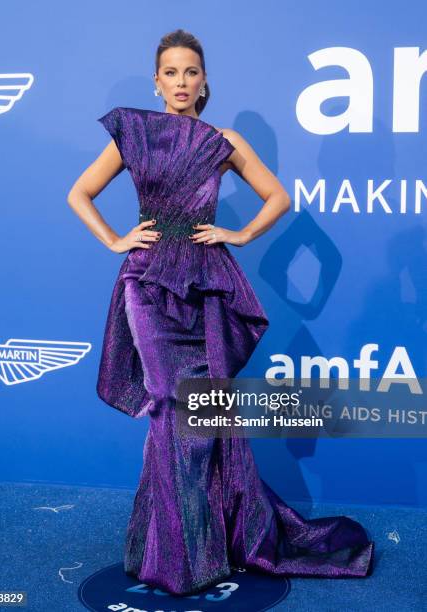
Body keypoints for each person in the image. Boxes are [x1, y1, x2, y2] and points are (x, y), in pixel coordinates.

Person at [67, 28, 374, 596]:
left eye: (191, 72)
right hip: (148, 284)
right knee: (169, 407)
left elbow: (278, 197)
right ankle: (176, 555)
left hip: (205, 286)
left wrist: (240, 232)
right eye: (171, 72)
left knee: (203, 417)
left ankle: (187, 543)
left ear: (204, 81)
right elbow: (79, 193)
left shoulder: (222, 141)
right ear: (156, 80)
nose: (181, 82)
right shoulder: (133, 132)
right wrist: (115, 240)